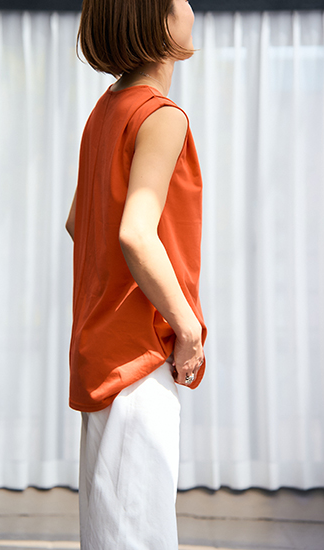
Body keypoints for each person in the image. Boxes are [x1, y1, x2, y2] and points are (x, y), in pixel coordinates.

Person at [65, 0, 207, 547]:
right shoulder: (161, 116)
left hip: (102, 352)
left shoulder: (106, 110)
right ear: (157, 18)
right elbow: (136, 234)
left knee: (109, 529)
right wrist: (188, 329)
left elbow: (79, 222)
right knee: (139, 533)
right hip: (138, 360)